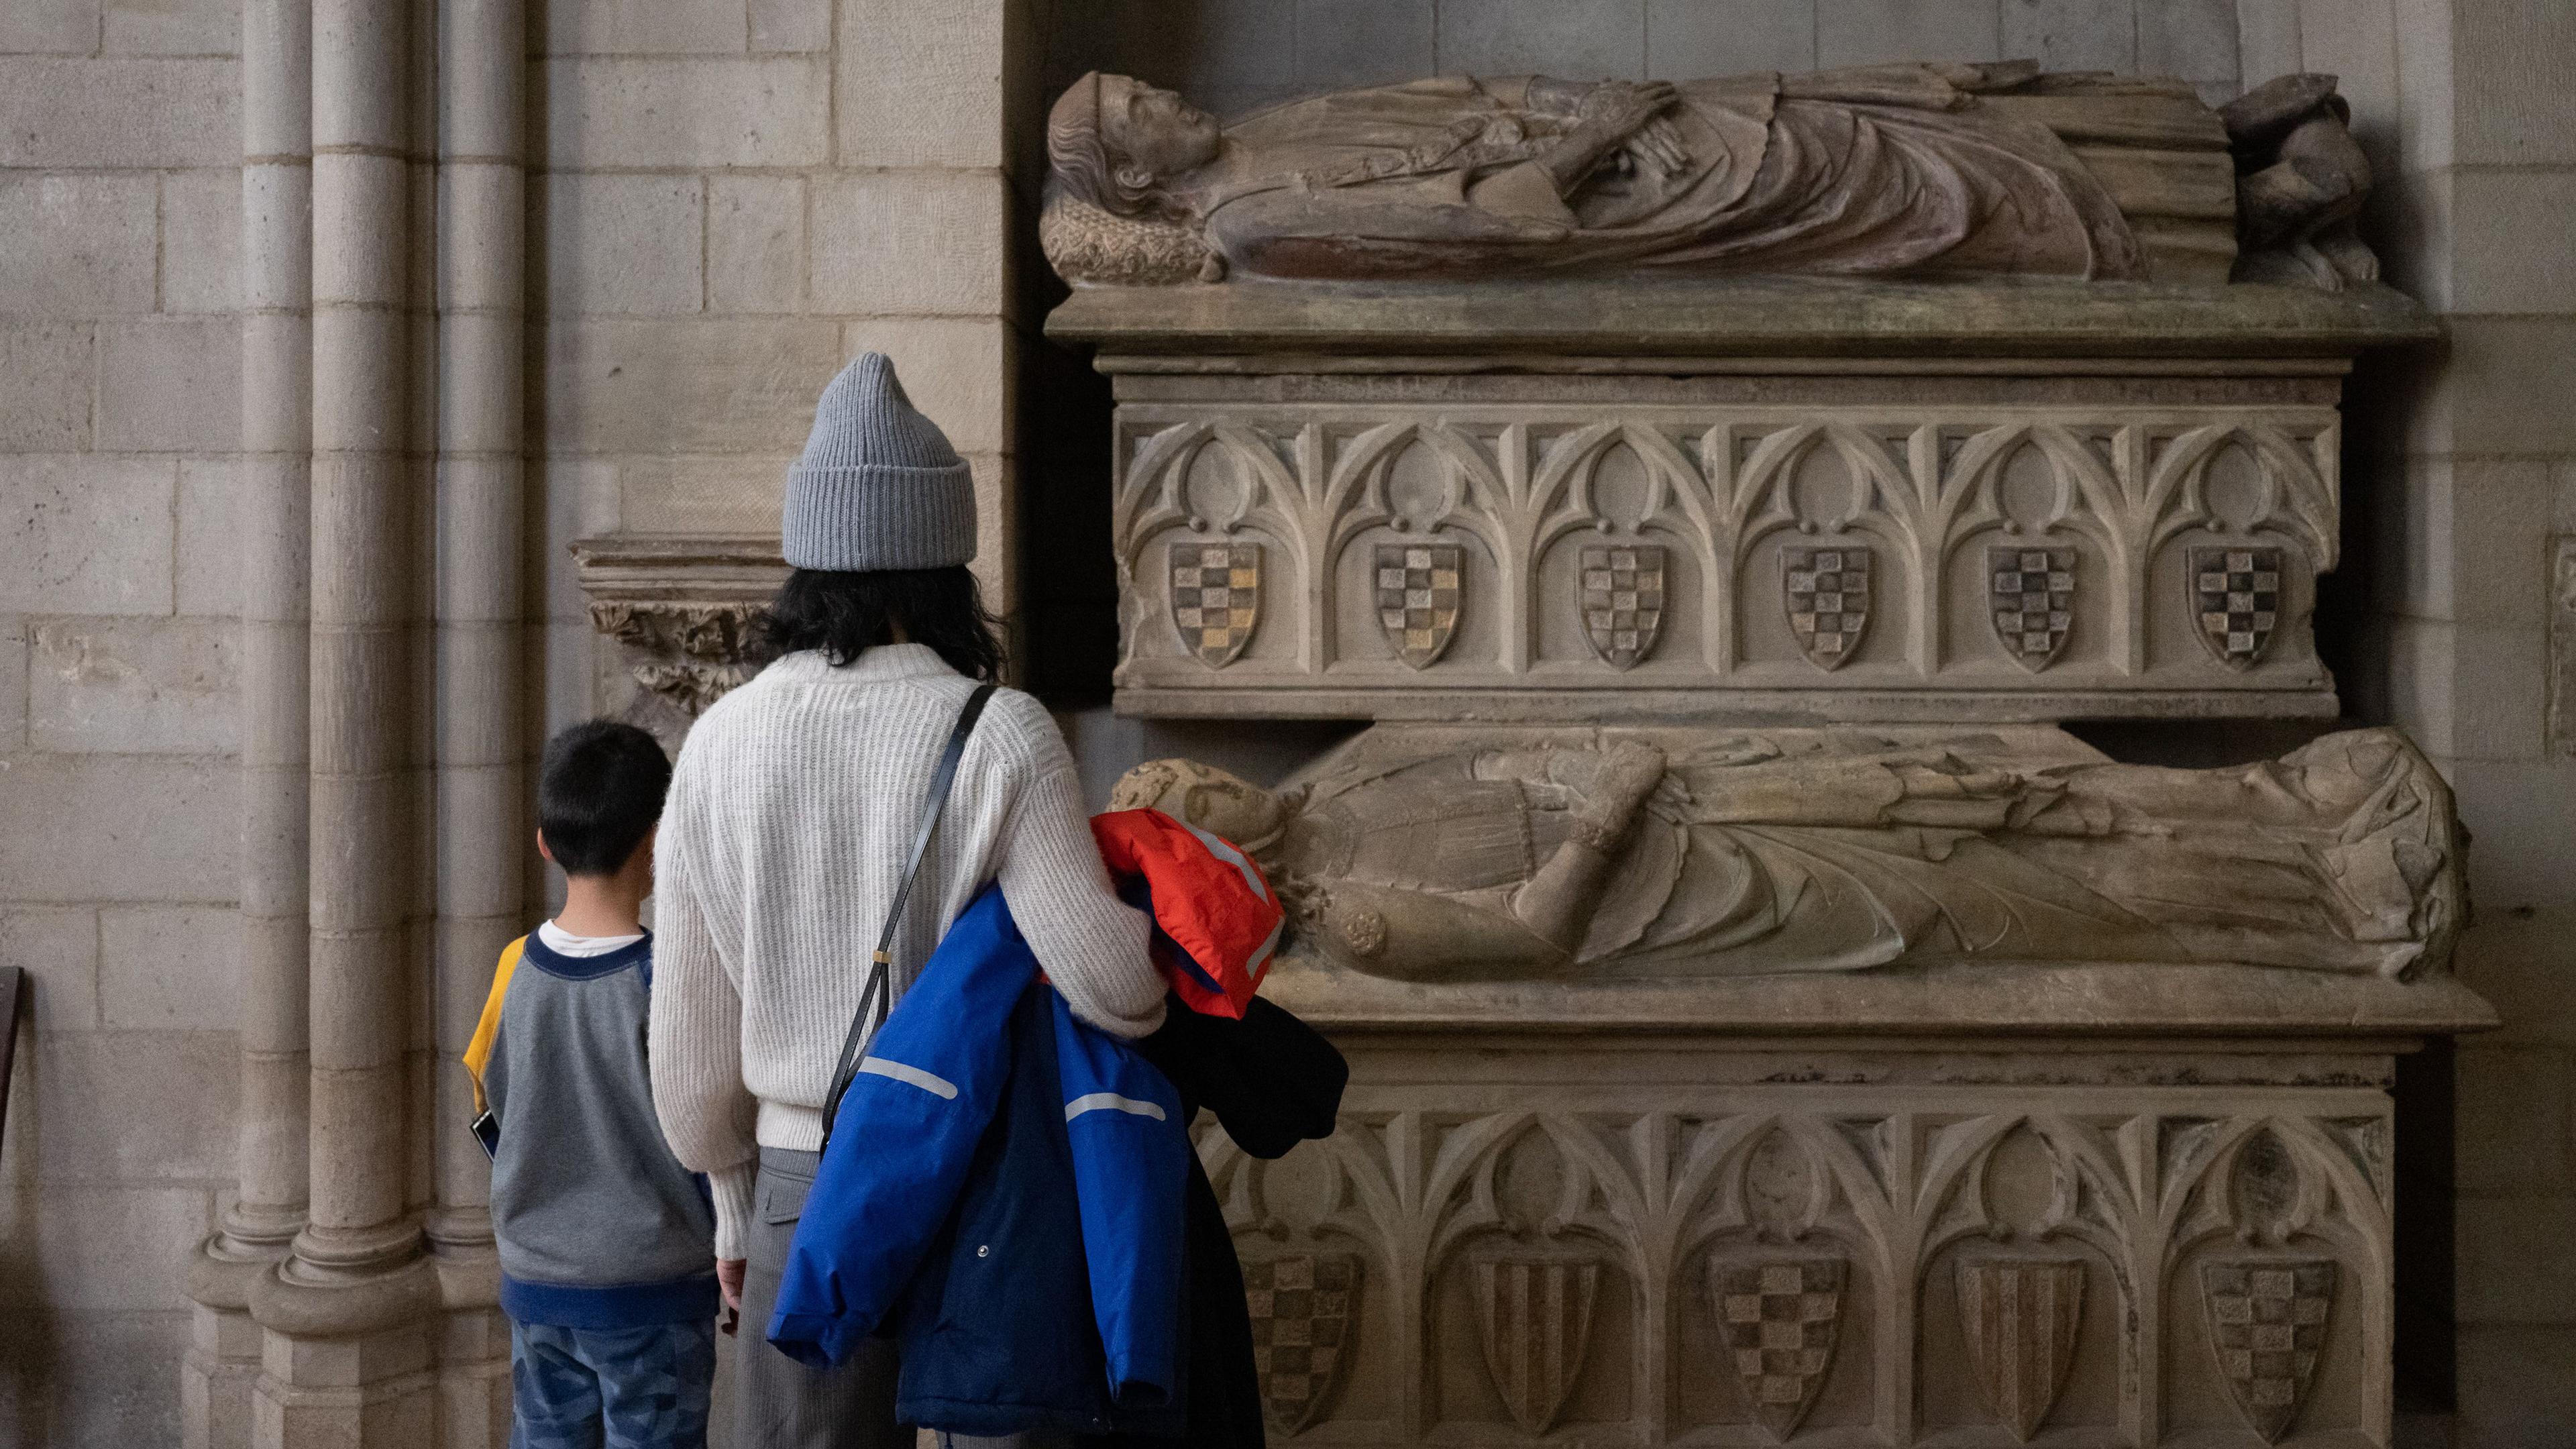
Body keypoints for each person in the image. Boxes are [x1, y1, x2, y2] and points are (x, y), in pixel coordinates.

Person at [646, 352, 1169, 1449]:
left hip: (805, 1189)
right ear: (945, 565)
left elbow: (691, 1065)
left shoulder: (718, 743)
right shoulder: (1002, 731)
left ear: (807, 562)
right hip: (983, 1189)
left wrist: (737, 1208)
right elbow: (1115, 989)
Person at [462, 720, 719, 1449]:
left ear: (545, 840)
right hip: (653, 1284)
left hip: (539, 1282)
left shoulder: (514, 965)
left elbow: (487, 1110)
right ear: (656, 839)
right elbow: (702, 1131)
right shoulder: (664, 980)